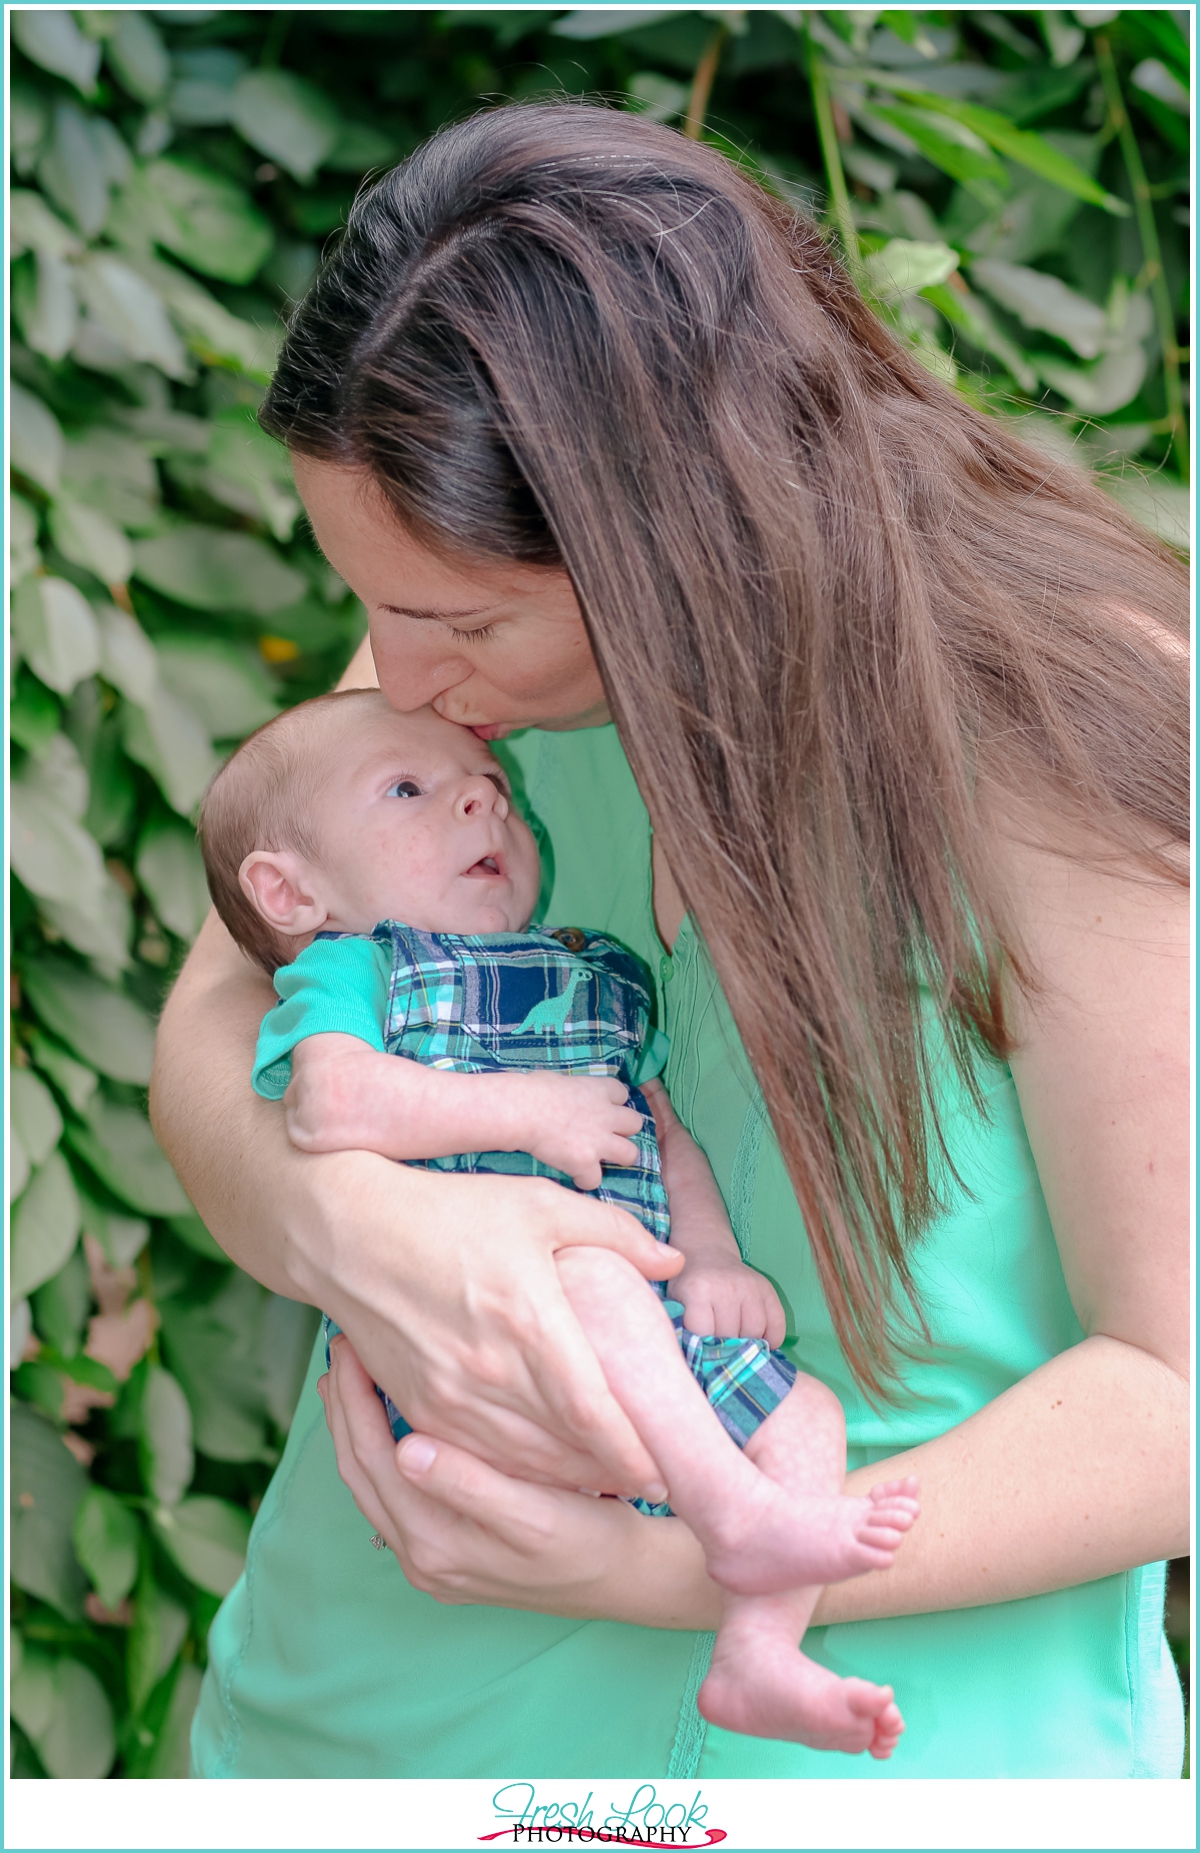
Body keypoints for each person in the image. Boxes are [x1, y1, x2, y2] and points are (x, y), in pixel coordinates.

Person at [152, 103, 1189, 1780]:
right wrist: (344, 1219)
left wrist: (670, 1567)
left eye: (453, 619)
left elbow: (1178, 1392)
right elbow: (212, 1027)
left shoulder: (1062, 718)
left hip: (875, 1760)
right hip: (353, 1731)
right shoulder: (458, 657)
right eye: (378, 608)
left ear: (667, 532)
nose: (396, 680)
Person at [196, 688, 923, 1753]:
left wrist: (711, 1254)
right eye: (411, 789)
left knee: (807, 1416)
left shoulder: (599, 974)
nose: (482, 807)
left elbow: (659, 1127)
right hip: (495, 1348)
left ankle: (759, 1654)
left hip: (646, 1336)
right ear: (290, 889)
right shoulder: (359, 970)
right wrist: (525, 1111)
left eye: (497, 793)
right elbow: (331, 1103)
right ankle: (735, 1515)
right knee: (584, 1269)